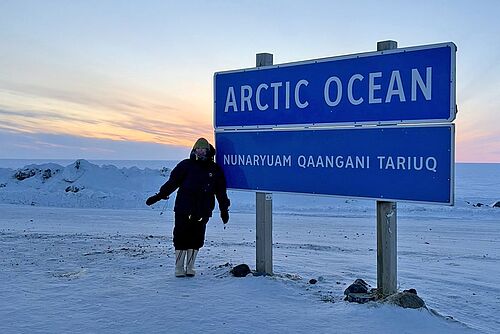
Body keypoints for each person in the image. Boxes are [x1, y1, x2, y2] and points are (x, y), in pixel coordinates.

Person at [146, 138, 230, 277]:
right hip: (184, 208)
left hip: (203, 210)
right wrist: (160, 195)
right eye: (198, 149)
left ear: (208, 151)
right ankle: (179, 268)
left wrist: (224, 209)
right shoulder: (185, 165)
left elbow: (221, 191)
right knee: (180, 236)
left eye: (203, 149)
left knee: (196, 238)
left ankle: (190, 267)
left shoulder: (214, 170)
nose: (201, 152)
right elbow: (172, 182)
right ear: (194, 150)